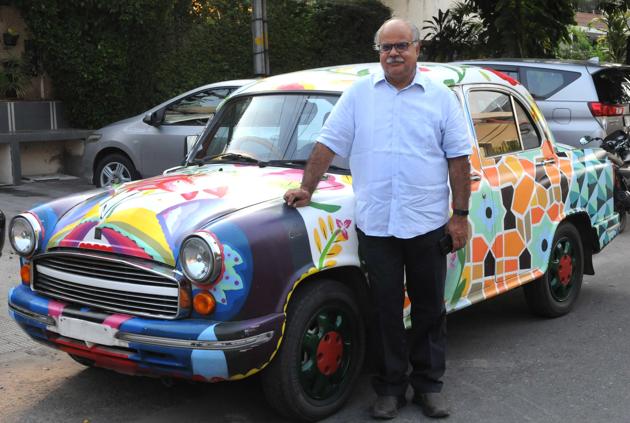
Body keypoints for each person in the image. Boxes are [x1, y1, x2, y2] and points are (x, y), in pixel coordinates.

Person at [284, 18, 471, 420]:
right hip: (377, 226)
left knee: (428, 309)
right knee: (385, 310)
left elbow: (459, 160)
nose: (393, 54)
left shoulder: (440, 98)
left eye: (401, 45)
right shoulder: (358, 96)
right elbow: (327, 143)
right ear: (378, 53)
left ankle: (428, 386)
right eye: (385, 48)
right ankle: (389, 388)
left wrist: (460, 217)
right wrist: (308, 189)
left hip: (426, 224)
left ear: (417, 48)